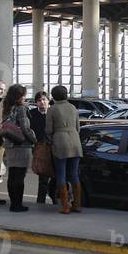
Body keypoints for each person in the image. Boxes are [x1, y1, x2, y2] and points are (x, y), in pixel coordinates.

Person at [45, 85, 83, 215]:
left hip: (60, 142)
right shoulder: (73, 108)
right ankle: (77, 205)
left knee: (61, 174)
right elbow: (78, 128)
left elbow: (49, 130)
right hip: (75, 142)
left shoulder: (52, 109)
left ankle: (65, 206)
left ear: (53, 96)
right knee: (74, 174)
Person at [1, 84, 35, 213]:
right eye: (23, 95)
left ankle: (13, 203)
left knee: (12, 175)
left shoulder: (6, 108)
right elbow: (25, 128)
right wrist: (34, 140)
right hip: (21, 145)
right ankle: (17, 204)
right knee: (20, 176)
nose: (25, 97)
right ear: (18, 96)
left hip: (9, 145)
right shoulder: (21, 109)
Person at [28, 91, 57, 205]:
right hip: (40, 148)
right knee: (43, 177)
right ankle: (41, 202)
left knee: (56, 176)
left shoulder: (53, 113)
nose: (42, 102)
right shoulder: (32, 114)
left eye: (44, 99)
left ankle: (56, 199)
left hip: (54, 148)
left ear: (48, 101)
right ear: (36, 102)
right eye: (39, 100)